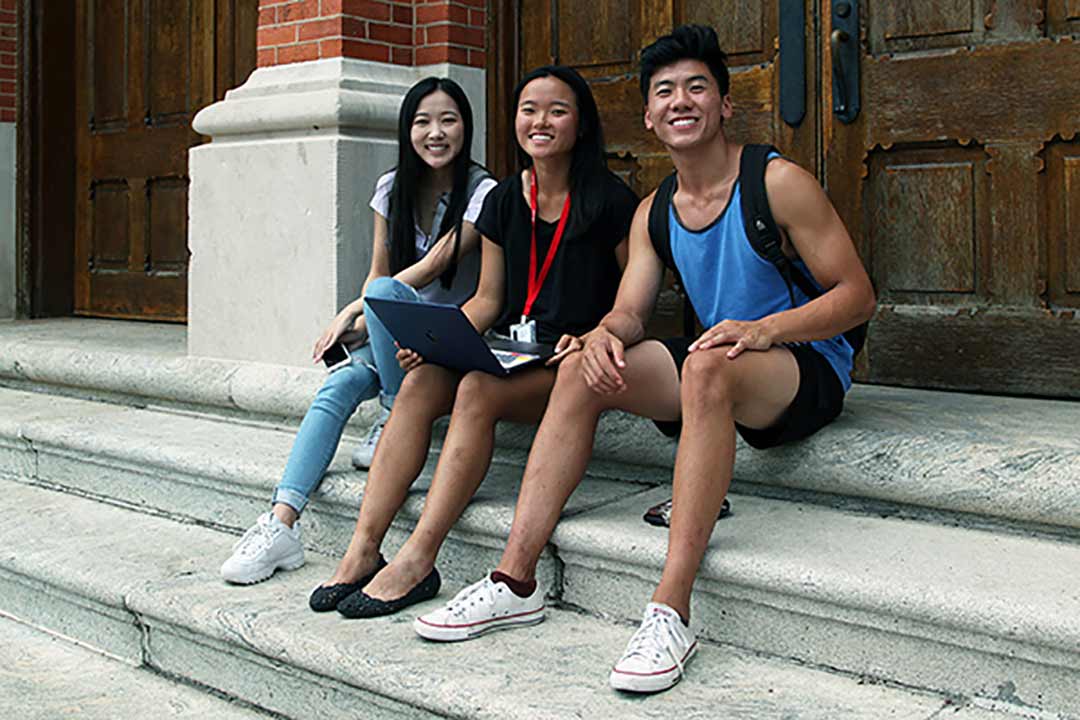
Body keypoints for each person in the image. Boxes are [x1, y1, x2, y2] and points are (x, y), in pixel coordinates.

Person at [414, 25, 877, 695]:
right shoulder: (656, 209)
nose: (680, 101)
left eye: (697, 88)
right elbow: (631, 310)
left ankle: (671, 609)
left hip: (801, 367)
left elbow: (857, 296)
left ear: (723, 105)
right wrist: (603, 332)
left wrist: (766, 330)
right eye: (665, 92)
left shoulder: (777, 182)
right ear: (650, 115)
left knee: (707, 364)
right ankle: (515, 580)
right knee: (583, 368)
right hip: (719, 363)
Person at [308, 65, 638, 619]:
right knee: (420, 382)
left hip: (568, 359)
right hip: (511, 349)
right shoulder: (505, 199)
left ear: (580, 125)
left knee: (477, 390)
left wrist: (595, 335)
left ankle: (419, 557)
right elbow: (487, 300)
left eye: (557, 110)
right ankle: (363, 550)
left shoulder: (610, 201)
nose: (540, 121)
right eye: (528, 109)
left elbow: (633, 303)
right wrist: (442, 339)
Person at [220, 77, 496, 585]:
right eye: (422, 122)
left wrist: (358, 308)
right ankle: (281, 522)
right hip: (396, 336)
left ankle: (394, 414)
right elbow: (378, 268)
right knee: (339, 382)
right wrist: (368, 320)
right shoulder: (391, 188)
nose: (435, 133)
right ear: (406, 130)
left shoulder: (484, 193)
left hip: (444, 341)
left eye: (448, 120)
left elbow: (434, 266)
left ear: (466, 127)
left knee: (386, 295)